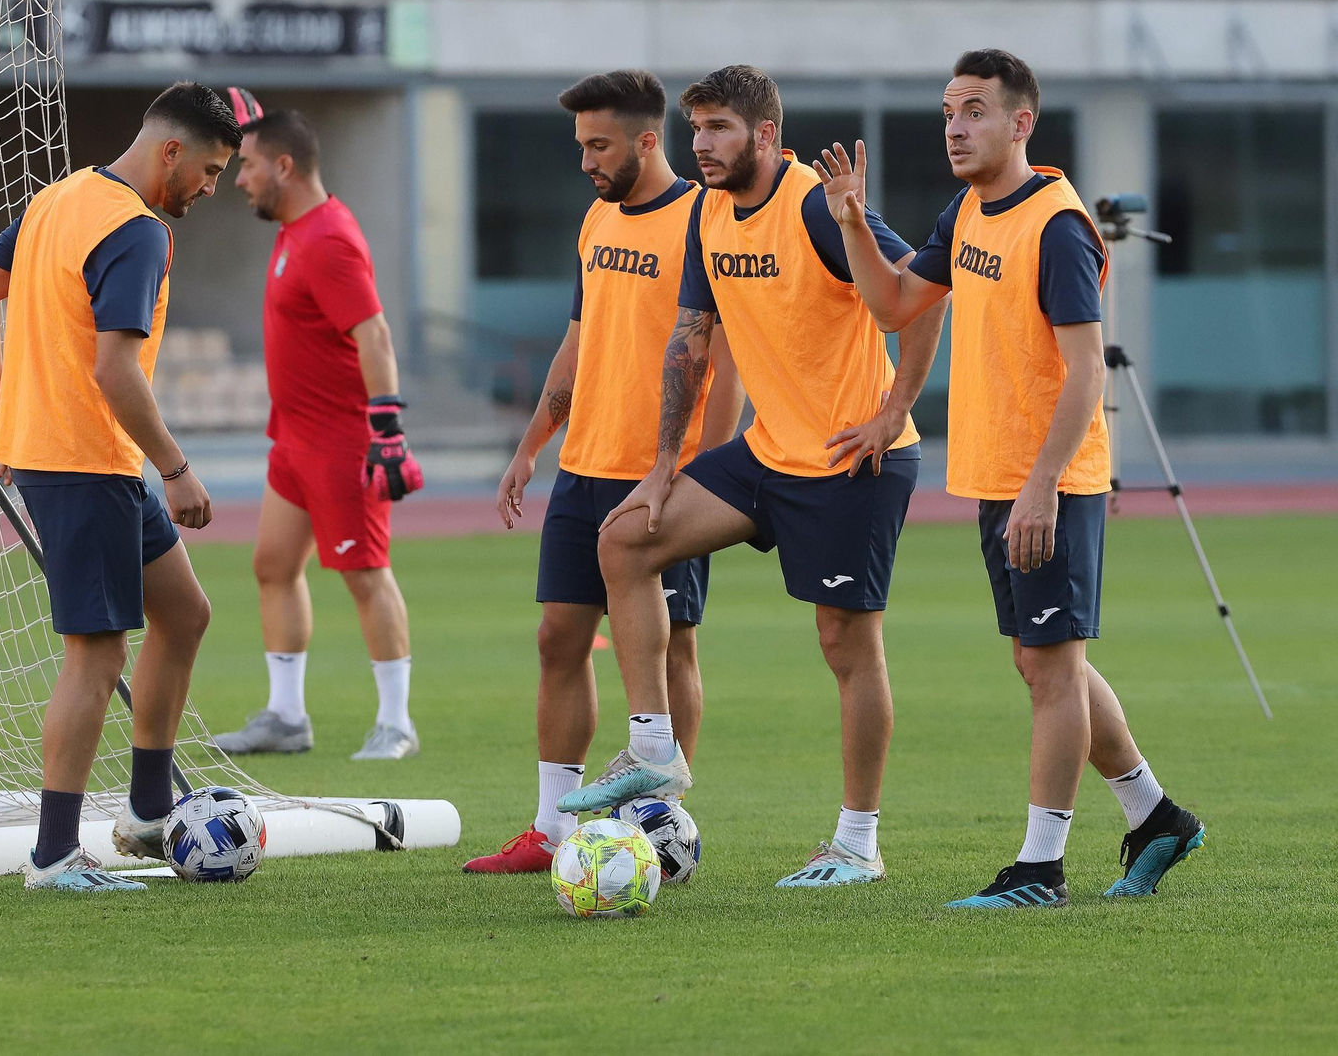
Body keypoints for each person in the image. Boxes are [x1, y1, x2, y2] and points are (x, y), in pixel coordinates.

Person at [819, 48, 1206, 908]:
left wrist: (1042, 484)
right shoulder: (964, 210)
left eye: (976, 111)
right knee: (1042, 662)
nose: (956, 126)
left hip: (1050, 481)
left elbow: (1085, 374)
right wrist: (851, 219)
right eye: (949, 111)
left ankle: (1040, 869)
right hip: (998, 475)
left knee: (1052, 667)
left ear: (1020, 122)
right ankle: (1156, 817)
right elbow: (891, 307)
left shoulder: (1058, 225)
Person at [567, 65, 947, 889]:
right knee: (626, 540)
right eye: (696, 128)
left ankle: (857, 842)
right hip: (768, 453)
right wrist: (667, 465)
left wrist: (893, 410)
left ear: (766, 136)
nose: (700, 145)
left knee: (846, 643)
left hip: (854, 460)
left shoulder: (817, 203)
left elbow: (922, 294)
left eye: (719, 130)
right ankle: (653, 751)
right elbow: (690, 337)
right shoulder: (707, 212)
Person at [0, 81, 239, 891]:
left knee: (184, 613)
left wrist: (4, 408)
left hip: (78, 454)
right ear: (171, 151)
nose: (211, 190)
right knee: (97, 653)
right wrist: (177, 469)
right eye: (210, 171)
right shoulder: (138, 231)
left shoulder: (59, 197)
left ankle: (149, 812)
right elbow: (115, 368)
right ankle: (53, 856)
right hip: (85, 460)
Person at [463, 70, 744, 873]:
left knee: (673, 644)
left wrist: (705, 473)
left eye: (599, 144)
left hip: (666, 474)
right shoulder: (595, 218)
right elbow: (580, 341)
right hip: (584, 466)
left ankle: (662, 821)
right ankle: (551, 827)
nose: (585, 159)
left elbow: (726, 358)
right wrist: (531, 444)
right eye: (580, 143)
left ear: (647, 140)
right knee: (559, 638)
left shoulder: (703, 218)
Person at [213, 93, 425, 762]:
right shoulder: (294, 230)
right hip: (294, 438)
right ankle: (286, 715)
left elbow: (375, 333)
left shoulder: (329, 238)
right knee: (273, 566)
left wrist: (385, 428)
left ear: (284, 166)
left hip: (340, 440)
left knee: (365, 573)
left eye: (246, 165)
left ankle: (396, 723)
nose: (237, 177)